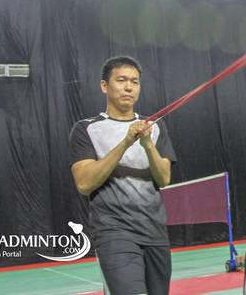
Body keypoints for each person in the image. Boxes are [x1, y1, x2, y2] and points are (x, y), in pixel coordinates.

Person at [69, 56, 178, 295]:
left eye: (135, 82)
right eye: (121, 80)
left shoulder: (155, 127)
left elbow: (164, 179)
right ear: (104, 86)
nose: (129, 87)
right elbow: (85, 183)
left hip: (155, 232)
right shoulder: (86, 129)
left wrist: (148, 145)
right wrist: (126, 142)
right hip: (114, 233)